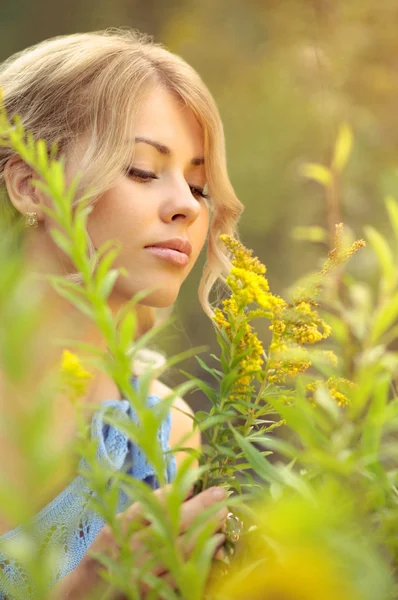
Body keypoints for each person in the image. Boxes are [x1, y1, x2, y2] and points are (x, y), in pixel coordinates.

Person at [0, 28, 244, 598]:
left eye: (200, 186)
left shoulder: (164, 435)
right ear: (30, 186)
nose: (186, 204)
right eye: (141, 169)